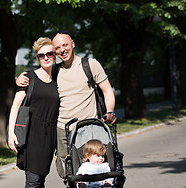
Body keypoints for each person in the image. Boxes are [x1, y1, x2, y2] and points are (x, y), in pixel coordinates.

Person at [16, 31, 117, 179]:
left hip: (88, 126)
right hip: (63, 129)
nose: (62, 49)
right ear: (55, 52)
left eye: (65, 45)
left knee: (94, 166)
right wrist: (20, 79)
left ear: (73, 44)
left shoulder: (90, 65)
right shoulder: (55, 70)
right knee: (67, 171)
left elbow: (107, 90)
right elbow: (38, 78)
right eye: (57, 48)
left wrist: (110, 111)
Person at [8, 37, 59, 188]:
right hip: (32, 132)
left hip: (51, 132)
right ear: (37, 57)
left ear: (54, 55)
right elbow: (16, 105)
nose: (46, 58)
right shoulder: (29, 77)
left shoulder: (58, 76)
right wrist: (11, 132)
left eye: (49, 54)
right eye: (41, 55)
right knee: (33, 179)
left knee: (42, 177)